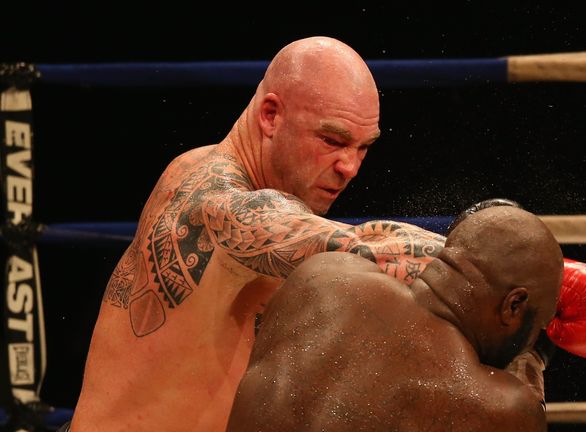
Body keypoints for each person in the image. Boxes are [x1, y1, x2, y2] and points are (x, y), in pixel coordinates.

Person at [68, 36, 446, 432]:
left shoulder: (231, 184)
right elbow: (354, 248)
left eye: (363, 147)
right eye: (332, 141)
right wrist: (495, 258)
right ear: (270, 115)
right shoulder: (212, 201)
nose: (349, 167)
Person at [227, 203, 565, 432]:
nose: (532, 337)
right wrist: (535, 356)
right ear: (513, 306)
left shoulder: (320, 276)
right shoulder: (500, 406)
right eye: (537, 326)